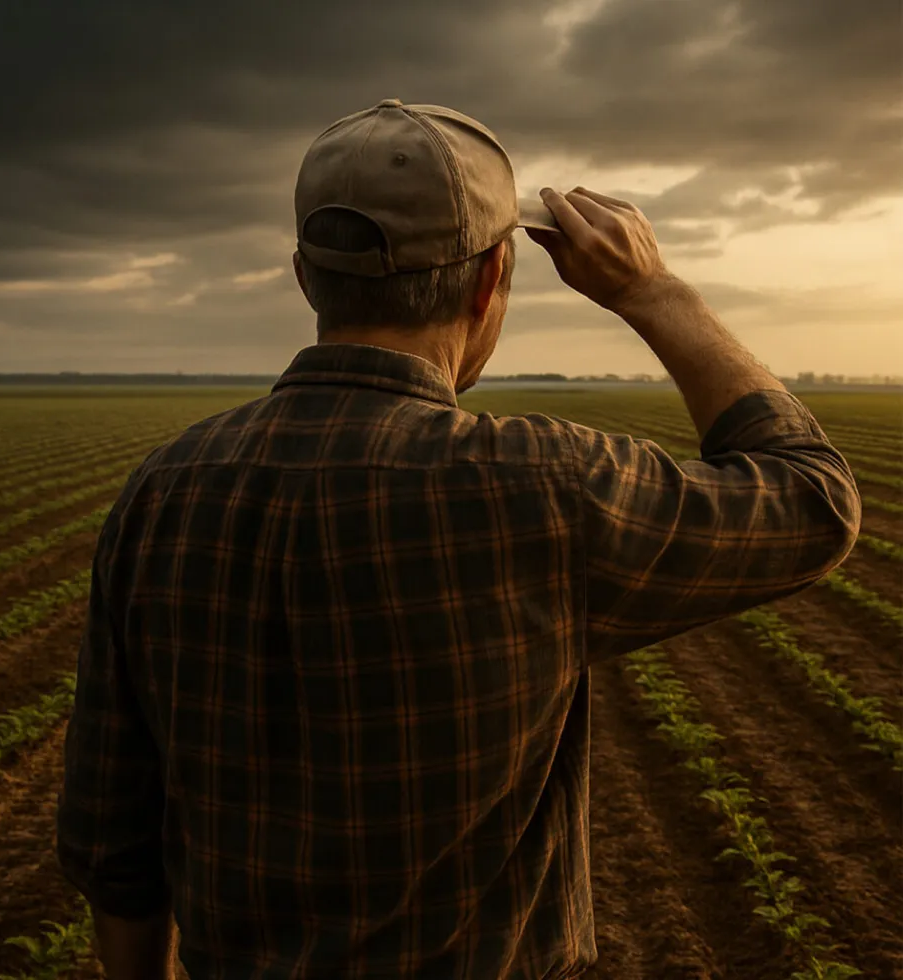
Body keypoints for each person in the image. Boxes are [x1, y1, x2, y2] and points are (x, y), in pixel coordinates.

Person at [56, 100, 861, 979]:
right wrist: (653, 291)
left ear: (305, 277)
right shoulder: (539, 484)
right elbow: (812, 498)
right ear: (490, 281)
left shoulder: (161, 491)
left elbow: (114, 837)